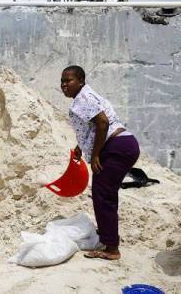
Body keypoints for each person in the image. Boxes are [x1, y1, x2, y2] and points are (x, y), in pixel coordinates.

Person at [60, 65, 140, 261]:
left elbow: (102, 123)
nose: (64, 85)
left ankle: (111, 248)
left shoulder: (82, 99)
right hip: (123, 144)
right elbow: (93, 128)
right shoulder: (86, 96)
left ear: (80, 81)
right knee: (104, 194)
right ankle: (108, 237)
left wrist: (95, 155)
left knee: (103, 195)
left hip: (116, 147)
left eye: (68, 80)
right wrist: (82, 147)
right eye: (62, 81)